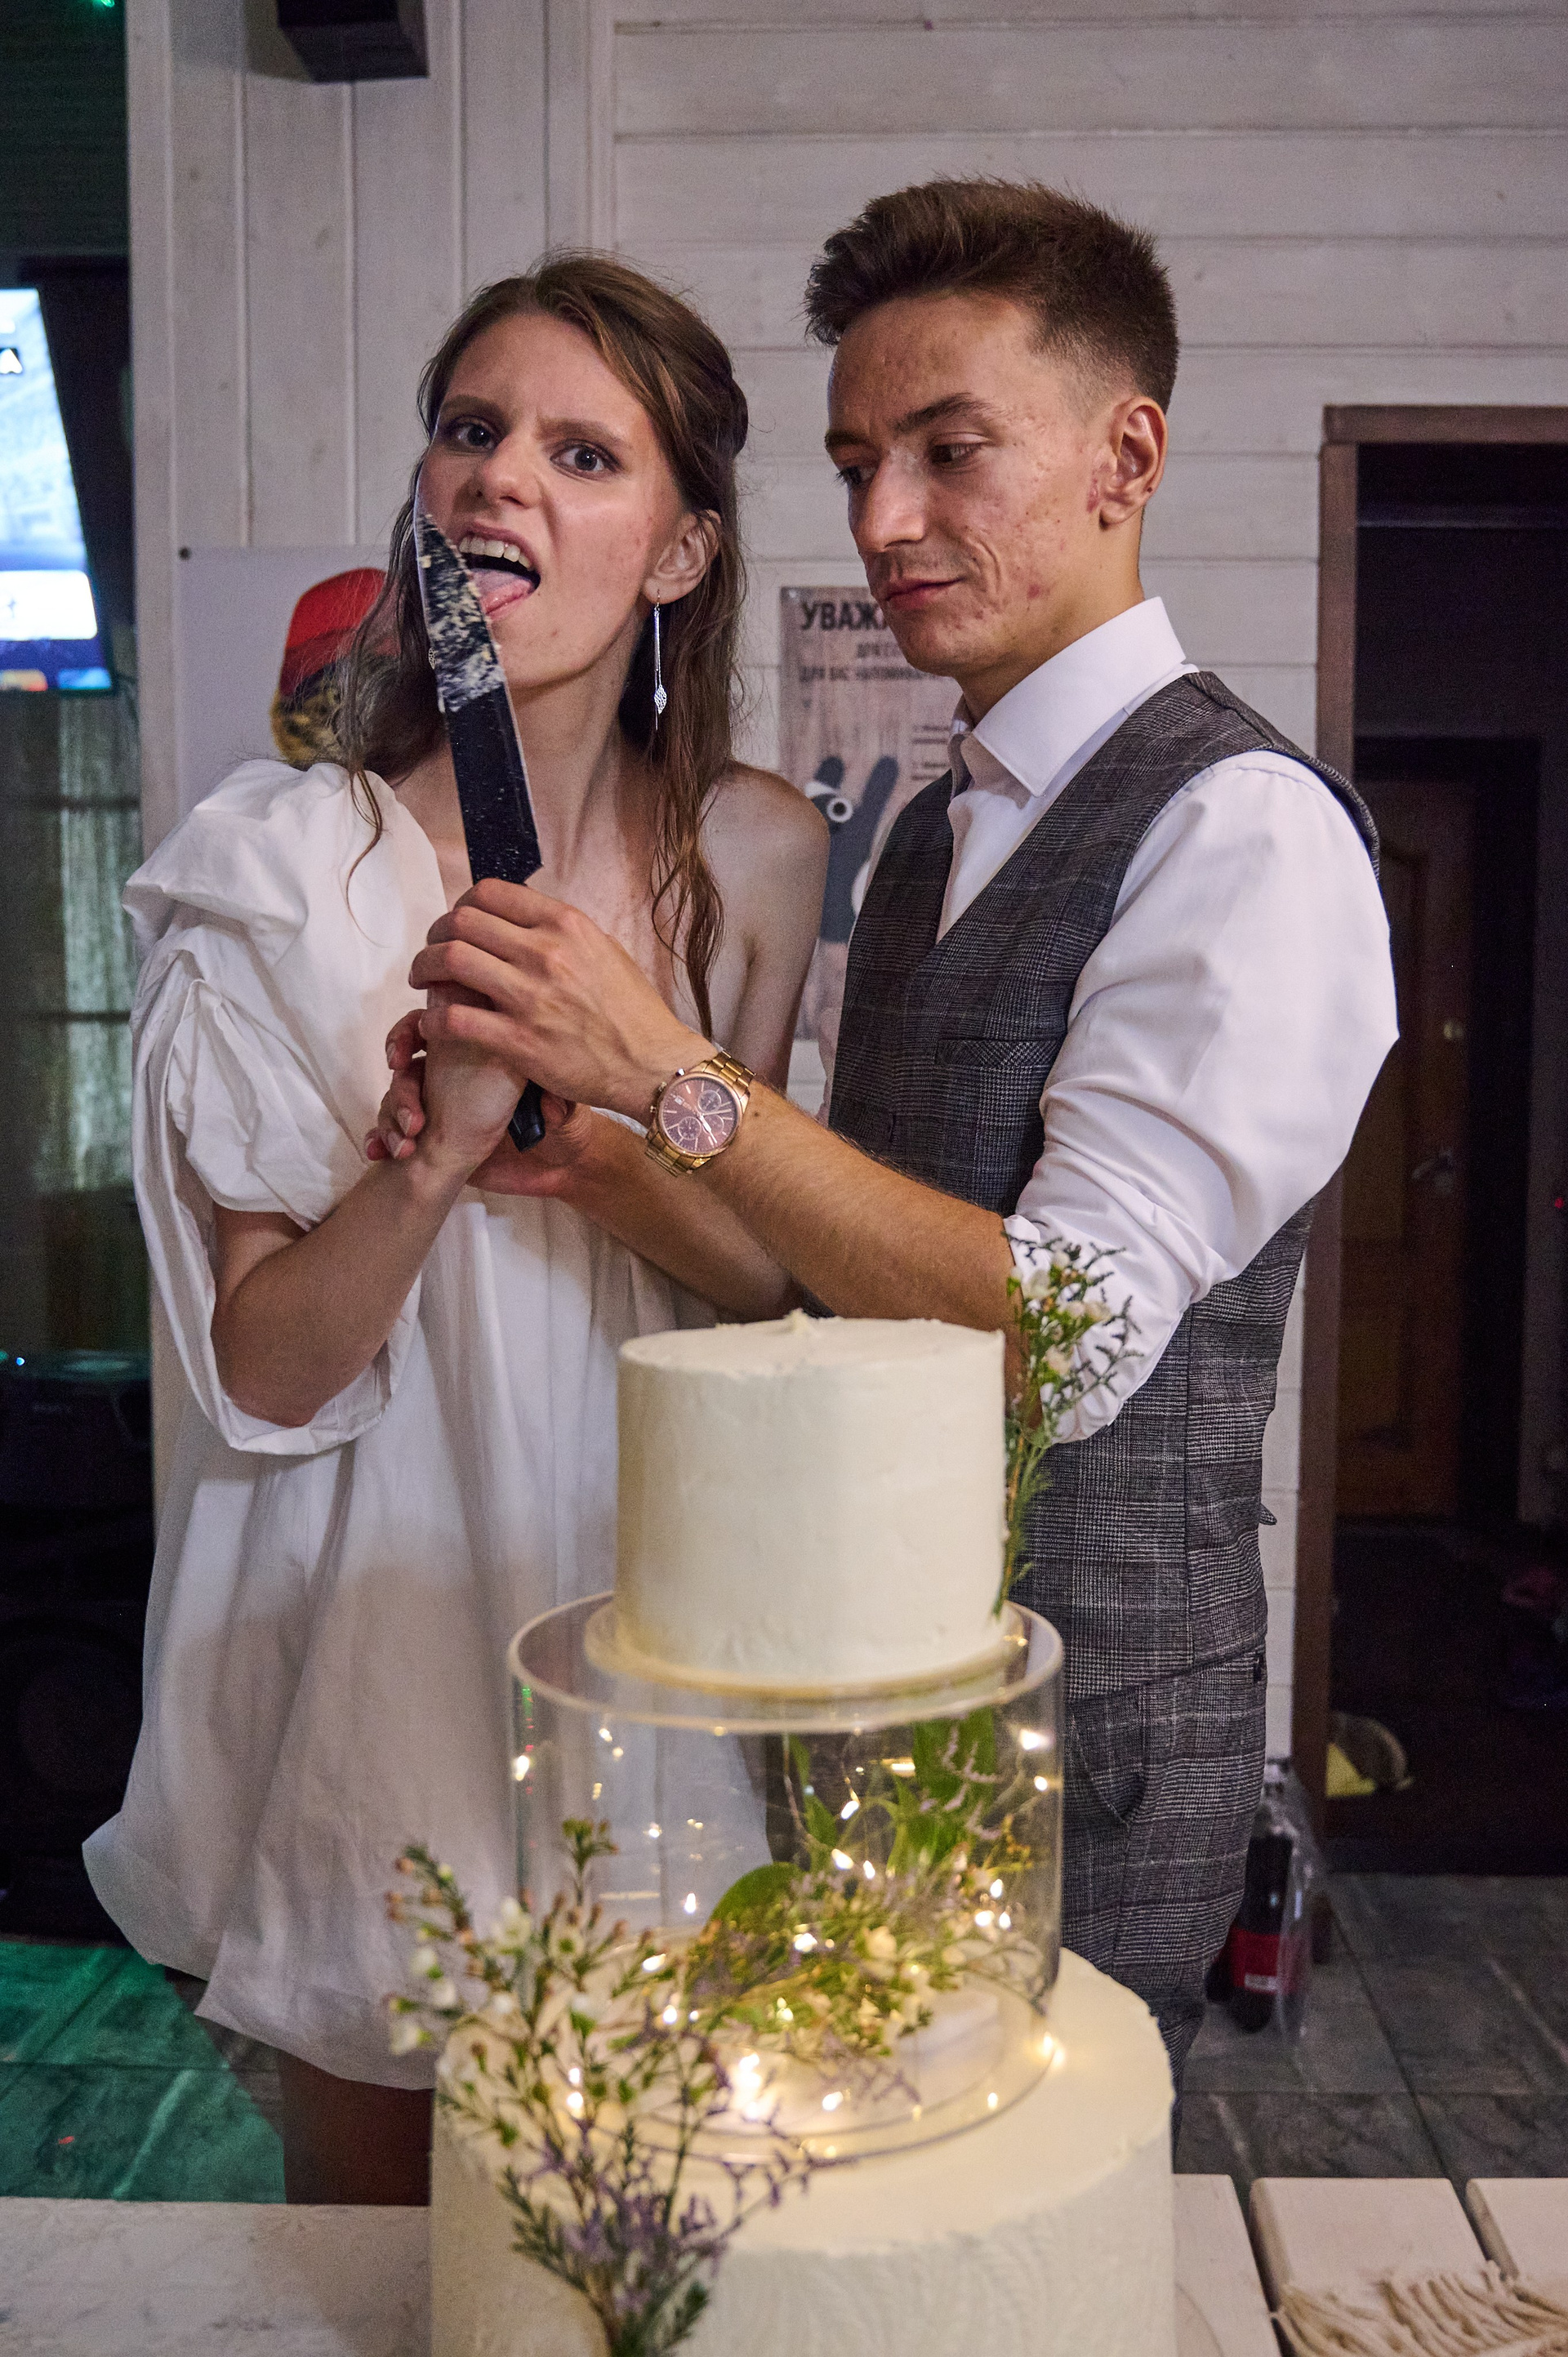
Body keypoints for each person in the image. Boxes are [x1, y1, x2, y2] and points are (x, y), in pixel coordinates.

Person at [373, 182, 1397, 2102]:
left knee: (1017, 2230)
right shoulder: (942, 824)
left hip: (1076, 1742)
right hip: (864, 1694)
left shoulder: (1241, 832)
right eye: (857, 465)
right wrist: (606, 1161)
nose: (883, 523)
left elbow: (1056, 1339)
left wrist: (670, 1068)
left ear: (1126, 456)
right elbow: (855, 1257)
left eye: (949, 452)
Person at [83, 256, 827, 2202]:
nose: (502, 477)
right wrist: (430, 1166)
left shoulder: (753, 854)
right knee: (381, 2258)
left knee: (639, 2243)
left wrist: (613, 1147)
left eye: (585, 454)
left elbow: (763, 1283)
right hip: (370, 1655)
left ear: (680, 550)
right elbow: (263, 1372)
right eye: (473, 432)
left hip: (654, 1624)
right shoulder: (279, 867)